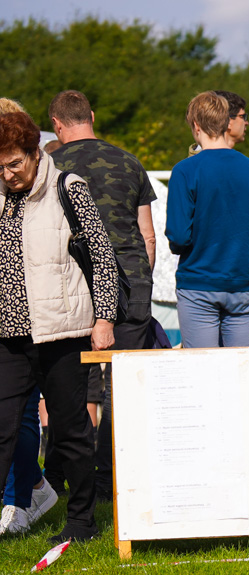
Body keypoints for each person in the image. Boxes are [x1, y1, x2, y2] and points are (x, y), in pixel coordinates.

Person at [0, 111, 118, 542]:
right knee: (1, 429)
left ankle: (82, 522)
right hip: (7, 337)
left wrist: (104, 318)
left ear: (34, 153)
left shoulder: (69, 188)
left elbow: (104, 258)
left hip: (62, 332)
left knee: (70, 432)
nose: (8, 174)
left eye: (14, 163)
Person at [49, 89, 158, 502]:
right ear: (91, 116)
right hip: (132, 285)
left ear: (57, 125)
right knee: (124, 389)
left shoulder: (49, 167)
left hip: (73, 286)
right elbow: (147, 235)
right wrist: (139, 282)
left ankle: (64, 480)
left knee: (70, 389)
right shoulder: (129, 161)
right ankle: (116, 483)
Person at [166, 91, 249, 348]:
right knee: (238, 374)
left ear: (195, 125)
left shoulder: (185, 170)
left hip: (198, 284)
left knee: (203, 373)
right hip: (241, 285)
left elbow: (179, 234)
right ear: (226, 123)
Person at [0, 99, 58, 537]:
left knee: (16, 416)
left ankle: (21, 497)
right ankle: (32, 486)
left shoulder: (45, 187)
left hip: (28, 320)